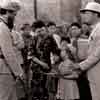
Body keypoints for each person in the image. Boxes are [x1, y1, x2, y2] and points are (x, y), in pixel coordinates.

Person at [73, 2, 100, 100]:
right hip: (94, 74)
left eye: (87, 13)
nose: (84, 16)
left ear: (96, 14)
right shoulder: (95, 29)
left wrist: (79, 66)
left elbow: (97, 55)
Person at [29, 20, 60, 100]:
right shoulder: (33, 39)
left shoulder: (50, 38)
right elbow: (31, 55)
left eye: (42, 30)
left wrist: (55, 59)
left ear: (45, 29)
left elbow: (56, 51)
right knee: (35, 92)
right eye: (38, 31)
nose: (41, 33)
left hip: (47, 69)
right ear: (35, 31)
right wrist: (42, 64)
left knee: (46, 91)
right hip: (36, 69)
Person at [0, 1, 24, 100]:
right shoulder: (3, 27)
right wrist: (19, 72)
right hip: (4, 69)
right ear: (8, 13)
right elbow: (8, 53)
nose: (14, 18)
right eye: (14, 15)